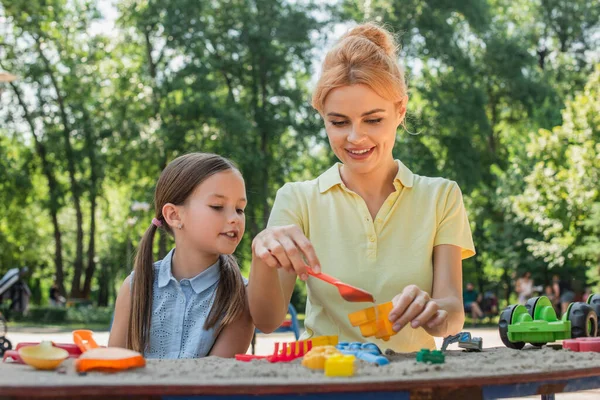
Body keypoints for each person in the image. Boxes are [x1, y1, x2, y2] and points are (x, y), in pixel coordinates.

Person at [247, 23, 475, 352]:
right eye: (338, 122)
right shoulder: (297, 199)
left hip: (412, 380)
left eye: (373, 120)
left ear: (400, 111)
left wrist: (433, 312)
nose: (355, 138)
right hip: (325, 378)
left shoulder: (441, 196)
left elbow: (452, 312)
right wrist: (261, 251)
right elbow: (266, 320)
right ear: (322, 116)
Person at [109, 153, 253, 358]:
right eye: (217, 207)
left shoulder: (242, 296)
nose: (234, 219)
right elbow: (113, 370)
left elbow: (214, 377)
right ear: (174, 215)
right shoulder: (134, 287)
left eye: (240, 209)